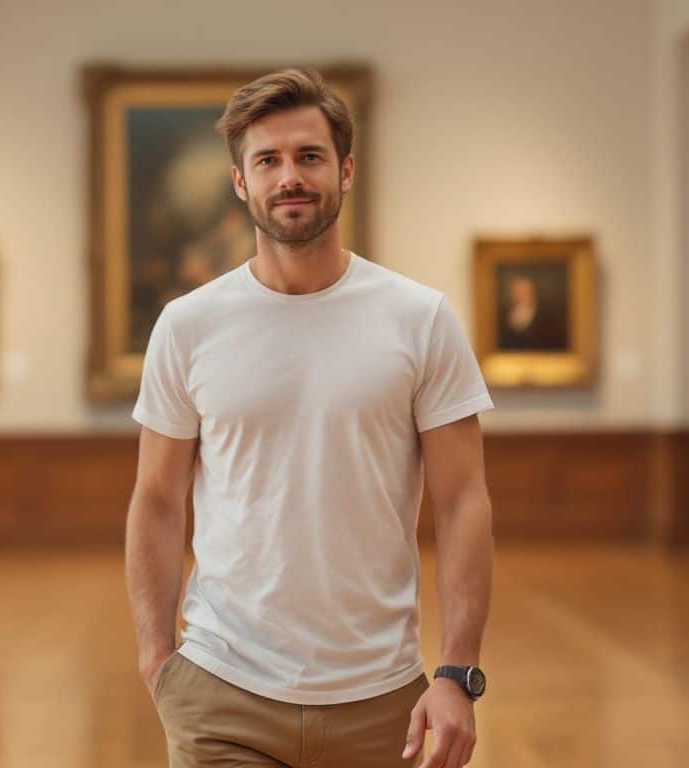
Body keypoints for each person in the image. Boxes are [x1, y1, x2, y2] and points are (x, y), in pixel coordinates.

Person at [125, 68, 495, 768]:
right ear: (241, 182)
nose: (288, 176)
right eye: (267, 160)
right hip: (220, 693)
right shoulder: (187, 326)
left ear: (345, 169)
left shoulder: (420, 319)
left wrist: (457, 672)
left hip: (384, 702)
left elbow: (462, 501)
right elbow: (157, 498)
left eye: (309, 156)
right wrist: (156, 657)